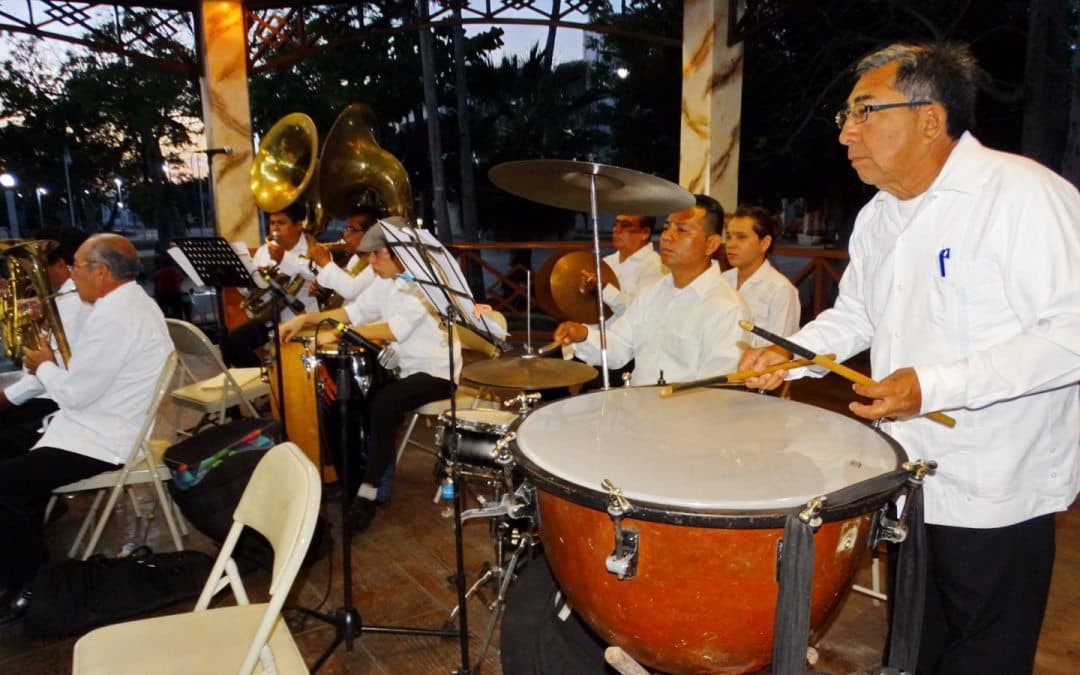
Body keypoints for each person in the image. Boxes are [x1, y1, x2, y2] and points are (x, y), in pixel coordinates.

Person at [740, 42, 1080, 675]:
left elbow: (1070, 333)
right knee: (913, 647)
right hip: (909, 477)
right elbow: (859, 315)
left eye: (865, 111)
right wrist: (794, 358)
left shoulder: (1021, 196)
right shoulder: (880, 216)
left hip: (996, 485)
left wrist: (934, 386)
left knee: (985, 654)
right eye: (845, 115)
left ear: (931, 118)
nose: (846, 131)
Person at [0, 233, 172, 623]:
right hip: (95, 425)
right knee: (12, 470)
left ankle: (28, 584)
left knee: (6, 484)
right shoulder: (126, 304)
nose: (72, 274)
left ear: (103, 271)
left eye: (76, 266)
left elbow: (75, 393)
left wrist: (44, 363)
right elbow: (85, 381)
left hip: (104, 439)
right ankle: (30, 569)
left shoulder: (116, 315)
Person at [280, 222, 460, 532]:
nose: (371, 263)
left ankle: (368, 490)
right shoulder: (384, 280)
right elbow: (352, 313)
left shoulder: (423, 284)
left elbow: (392, 330)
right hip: (403, 368)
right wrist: (306, 319)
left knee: (384, 401)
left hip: (437, 372)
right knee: (354, 397)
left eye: (376, 255)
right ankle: (352, 476)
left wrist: (337, 334)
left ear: (397, 255)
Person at [554, 195, 750, 386]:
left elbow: (717, 388)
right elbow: (618, 347)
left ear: (711, 244)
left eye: (681, 230)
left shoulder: (727, 308)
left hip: (686, 414)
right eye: (666, 228)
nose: (667, 237)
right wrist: (583, 335)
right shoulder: (652, 292)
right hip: (639, 407)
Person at [0, 229, 92, 461]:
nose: (32, 275)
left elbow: (41, 378)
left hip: (56, 401)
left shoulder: (70, 305)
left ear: (61, 265)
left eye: (38, 266)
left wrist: (6, 398)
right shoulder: (63, 301)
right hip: (53, 393)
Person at [220, 202, 320, 367]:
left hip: (300, 320)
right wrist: (249, 278)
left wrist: (284, 258)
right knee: (231, 342)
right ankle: (265, 381)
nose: (275, 229)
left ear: (298, 225)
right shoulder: (263, 251)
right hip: (269, 320)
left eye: (281, 223)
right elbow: (248, 294)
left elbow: (320, 276)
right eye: (272, 223)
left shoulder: (315, 250)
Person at [722, 205, 800, 343]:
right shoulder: (722, 280)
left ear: (764, 243)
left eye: (741, 237)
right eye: (728, 237)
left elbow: (779, 347)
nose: (730, 244)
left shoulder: (780, 290)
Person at [578, 214, 664, 322]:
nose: (616, 230)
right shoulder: (607, 261)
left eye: (625, 225)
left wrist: (604, 289)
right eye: (615, 224)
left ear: (645, 233)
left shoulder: (655, 267)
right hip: (597, 334)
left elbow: (641, 315)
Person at [305, 207, 380, 302]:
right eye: (345, 229)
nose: (345, 235)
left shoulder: (380, 262)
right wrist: (325, 286)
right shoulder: (356, 258)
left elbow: (351, 291)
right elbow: (346, 285)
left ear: (370, 233)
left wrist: (325, 263)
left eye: (351, 230)